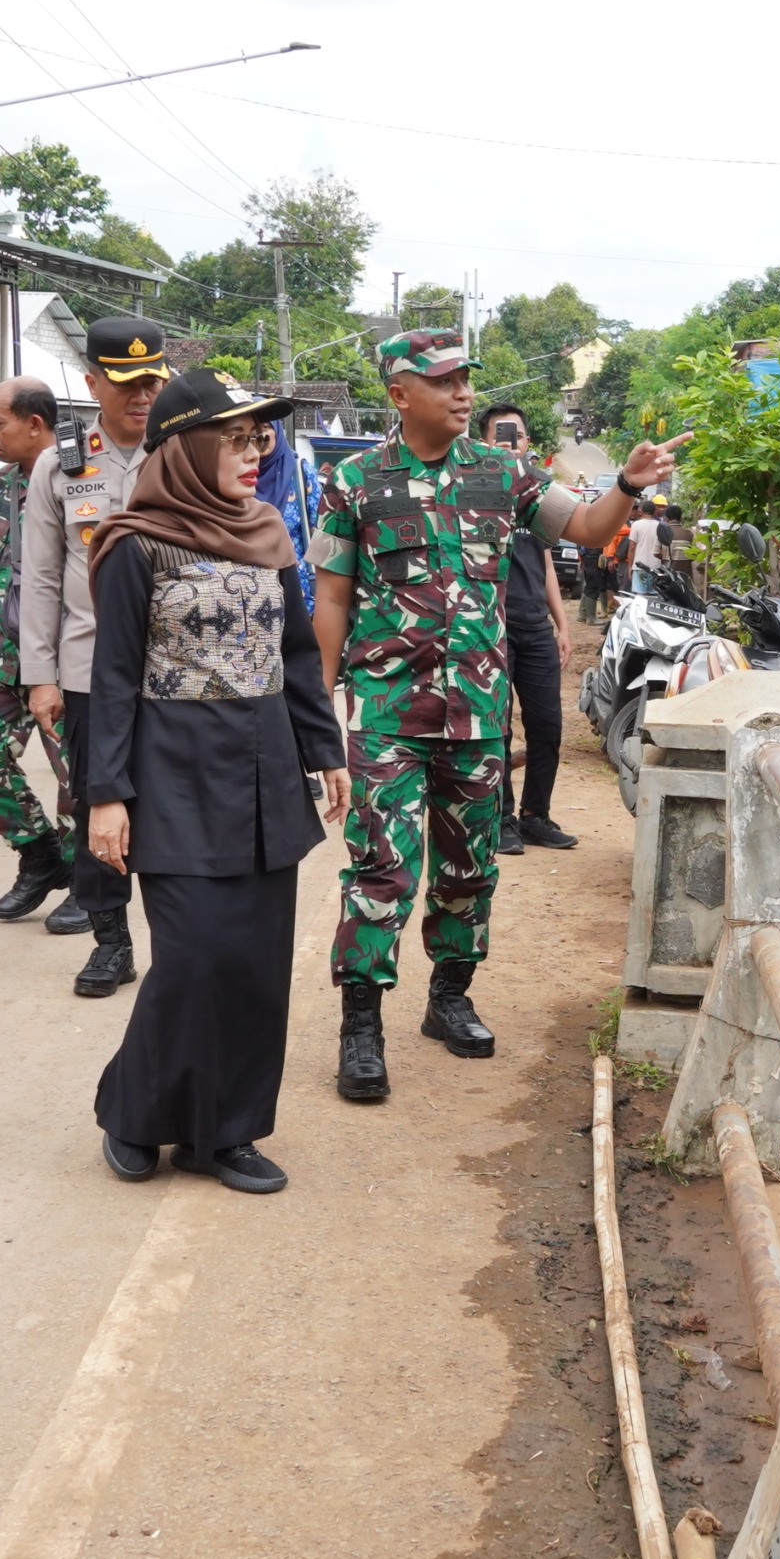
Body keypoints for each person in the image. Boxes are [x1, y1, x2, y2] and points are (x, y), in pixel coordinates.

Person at [311, 328, 686, 1102]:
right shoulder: (353, 482)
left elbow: (585, 528)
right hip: (386, 711)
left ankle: (449, 998)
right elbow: (334, 596)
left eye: (466, 379)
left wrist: (629, 483)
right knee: (382, 870)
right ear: (399, 393)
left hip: (477, 713)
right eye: (444, 380)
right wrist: (321, 706)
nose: (463, 392)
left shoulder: (505, 474)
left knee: (469, 870)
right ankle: (361, 1027)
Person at [86, 370, 350, 1193]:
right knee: (194, 959)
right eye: (234, 439)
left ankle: (223, 1134)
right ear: (189, 447)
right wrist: (105, 794)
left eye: (257, 438)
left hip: (266, 771)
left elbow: (299, 657)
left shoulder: (267, 531)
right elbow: (115, 675)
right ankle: (135, 1110)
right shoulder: (137, 544)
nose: (252, 452)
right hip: (175, 774)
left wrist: (325, 747)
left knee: (253, 963)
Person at [23, 317, 169, 994]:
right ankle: (111, 942)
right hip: (86, 670)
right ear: (92, 383)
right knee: (95, 805)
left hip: (175, 670)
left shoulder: (183, 449)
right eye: (126, 383)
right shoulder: (62, 462)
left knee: (172, 806)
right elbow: (43, 576)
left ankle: (177, 941)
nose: (142, 396)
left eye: (151, 382)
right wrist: (40, 677)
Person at [0, 378, 77, 922]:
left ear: (35, 424)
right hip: (5, 648)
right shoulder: (1, 484)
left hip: (64, 650)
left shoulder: (81, 480)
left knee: (76, 774)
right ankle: (40, 854)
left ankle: (89, 881)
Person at [480, 405, 578, 858]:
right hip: (491, 629)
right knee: (497, 730)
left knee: (547, 727)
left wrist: (561, 624)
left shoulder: (537, 491)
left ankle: (536, 816)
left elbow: (545, 563)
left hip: (535, 627)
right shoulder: (474, 487)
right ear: (483, 441)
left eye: (517, 435)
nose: (510, 441)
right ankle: (501, 820)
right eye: (502, 435)